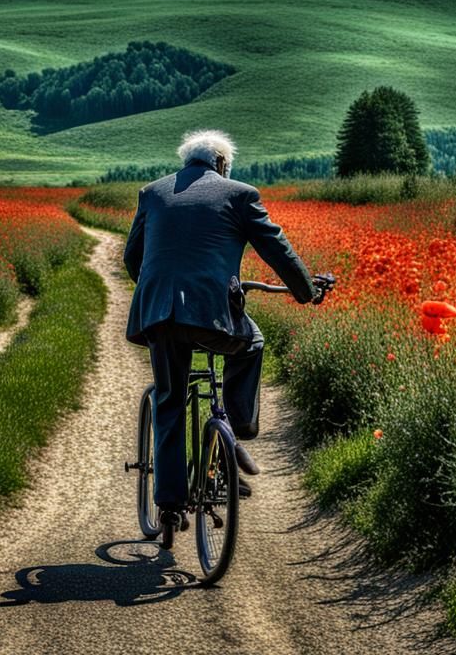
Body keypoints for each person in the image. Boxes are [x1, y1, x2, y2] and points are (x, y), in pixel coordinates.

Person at [123, 129, 319, 531]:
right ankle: (235, 430)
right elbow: (276, 248)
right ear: (222, 164)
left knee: (170, 401)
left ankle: (170, 505)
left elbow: (132, 259)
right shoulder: (240, 194)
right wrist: (306, 291)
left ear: (187, 162)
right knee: (251, 343)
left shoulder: (153, 193)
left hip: (158, 316)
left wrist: (157, 289)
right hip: (213, 317)